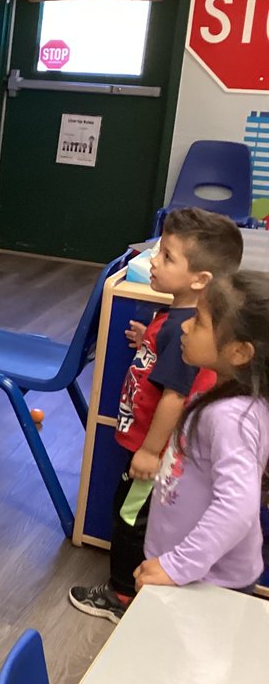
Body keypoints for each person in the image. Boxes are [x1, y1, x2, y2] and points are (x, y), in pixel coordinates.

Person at [70, 207, 243, 622]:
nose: (152, 262)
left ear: (199, 280)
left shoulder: (188, 333)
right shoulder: (177, 319)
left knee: (130, 519)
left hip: (154, 452)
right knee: (131, 514)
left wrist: (149, 451)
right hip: (149, 446)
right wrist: (148, 338)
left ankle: (122, 596)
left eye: (166, 257)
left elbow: (174, 396)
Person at [135, 271, 269, 595]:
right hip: (190, 569)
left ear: (239, 353)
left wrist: (177, 565)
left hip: (206, 582)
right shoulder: (230, 398)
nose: (184, 326)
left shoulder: (229, 418)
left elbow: (237, 506)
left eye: (197, 321)